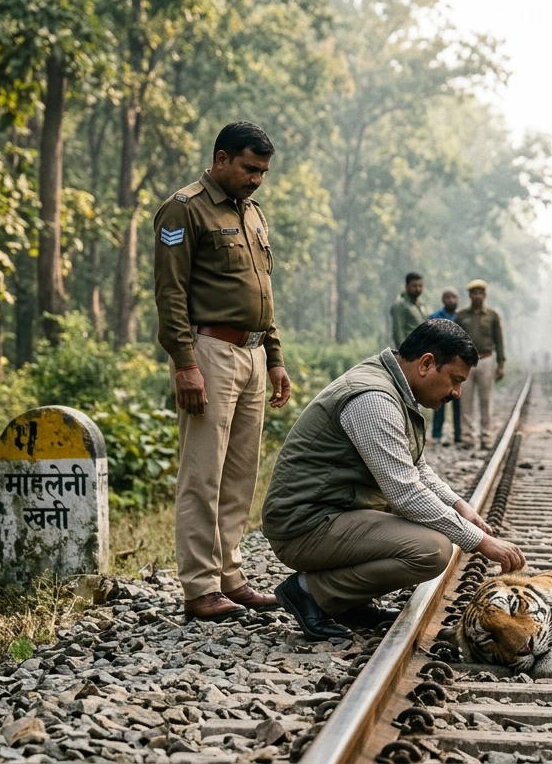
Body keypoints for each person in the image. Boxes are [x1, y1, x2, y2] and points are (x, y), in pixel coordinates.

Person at [261, 320, 526, 640]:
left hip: (333, 512)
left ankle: (345, 603)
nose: (456, 392)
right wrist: (482, 542)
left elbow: (417, 467)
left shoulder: (395, 387)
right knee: (432, 550)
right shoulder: (374, 398)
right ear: (427, 363)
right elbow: (405, 492)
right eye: (455, 381)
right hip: (304, 524)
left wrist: (458, 505)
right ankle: (309, 592)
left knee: (432, 525)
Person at [153, 122, 292, 621]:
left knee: (239, 475)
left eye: (263, 172)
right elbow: (170, 292)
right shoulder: (184, 208)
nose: (258, 179)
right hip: (209, 352)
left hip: (253, 355)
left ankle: (229, 576)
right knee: (202, 474)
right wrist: (184, 363)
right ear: (221, 159)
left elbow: (263, 293)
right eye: (250, 169)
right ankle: (198, 586)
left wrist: (274, 356)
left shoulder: (253, 214)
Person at [454, 279, 505, 449]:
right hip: (465, 362)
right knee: (466, 401)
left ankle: (486, 437)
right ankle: (468, 438)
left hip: (486, 359)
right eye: (474, 293)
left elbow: (499, 340)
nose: (477, 296)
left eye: (480, 293)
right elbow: (454, 340)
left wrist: (501, 364)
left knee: (486, 400)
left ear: (484, 295)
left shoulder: (492, 315)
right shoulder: (461, 316)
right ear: (469, 295)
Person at [428, 287, 462, 446]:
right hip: (441, 364)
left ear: (458, 299)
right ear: (443, 300)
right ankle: (437, 434)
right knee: (439, 399)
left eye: (454, 297)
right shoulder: (434, 317)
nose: (451, 300)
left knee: (458, 400)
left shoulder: (462, 318)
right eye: (447, 297)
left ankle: (458, 435)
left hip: (458, 365)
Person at [390, 272, 426, 347]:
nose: (418, 289)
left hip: (420, 348)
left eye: (420, 286)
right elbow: (398, 332)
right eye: (414, 286)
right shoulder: (400, 305)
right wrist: (403, 353)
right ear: (406, 286)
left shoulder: (420, 305)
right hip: (409, 351)